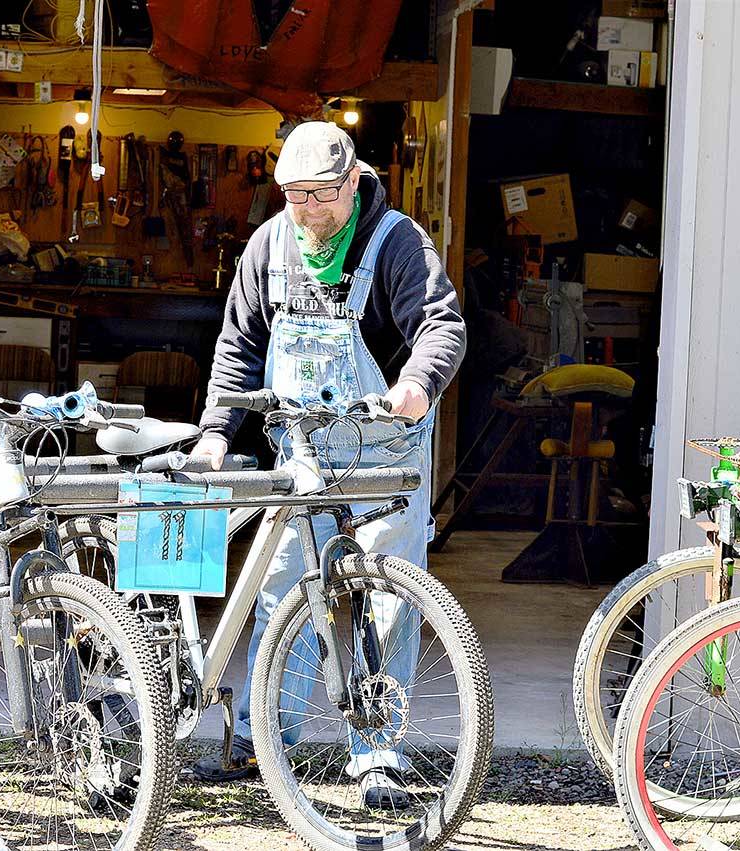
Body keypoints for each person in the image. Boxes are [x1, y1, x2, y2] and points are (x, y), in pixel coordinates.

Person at [188, 121, 466, 808]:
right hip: (303, 452)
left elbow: (441, 325)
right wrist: (216, 432)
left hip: (383, 451)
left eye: (320, 196)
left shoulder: (396, 241)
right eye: (294, 197)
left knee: (389, 600)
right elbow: (237, 346)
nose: (308, 211)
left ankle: (378, 753)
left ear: (352, 182)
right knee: (284, 588)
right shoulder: (269, 246)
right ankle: (262, 739)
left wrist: (416, 386)